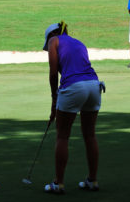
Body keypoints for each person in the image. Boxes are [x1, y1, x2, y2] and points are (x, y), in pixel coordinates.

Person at [42, 21, 104, 194]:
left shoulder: (54, 41)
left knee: (62, 136)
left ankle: (58, 183)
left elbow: (53, 73)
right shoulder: (78, 42)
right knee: (90, 135)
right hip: (94, 85)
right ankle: (92, 180)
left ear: (51, 36)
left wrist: (54, 100)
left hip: (73, 87)